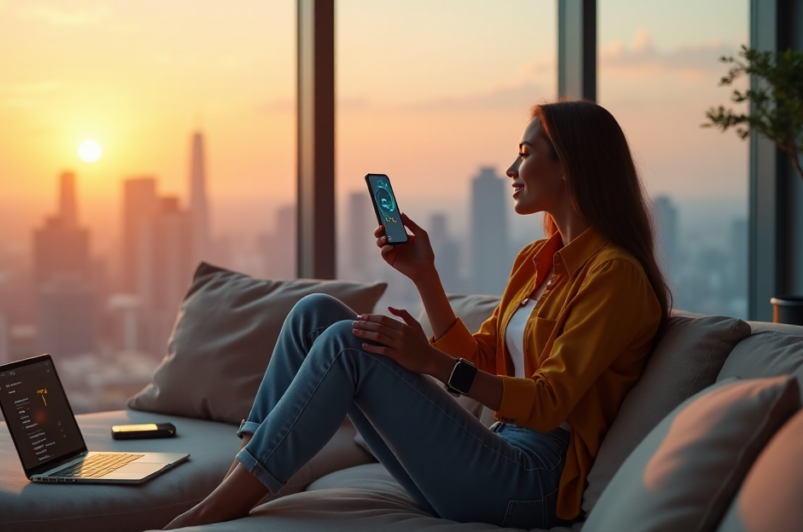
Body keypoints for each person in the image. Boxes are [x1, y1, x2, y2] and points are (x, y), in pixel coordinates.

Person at [164, 99, 671, 530]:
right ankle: (248, 475)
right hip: (494, 450)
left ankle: (211, 514)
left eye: (524, 154)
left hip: (533, 482)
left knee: (346, 343)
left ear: (570, 167)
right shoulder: (537, 261)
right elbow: (485, 356)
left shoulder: (614, 275)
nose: (511, 171)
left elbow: (548, 404)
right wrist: (425, 275)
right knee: (315, 314)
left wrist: (432, 363)